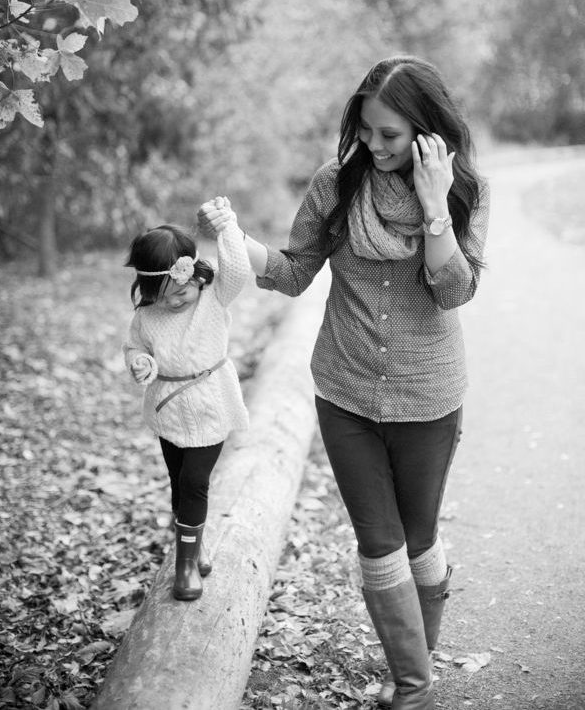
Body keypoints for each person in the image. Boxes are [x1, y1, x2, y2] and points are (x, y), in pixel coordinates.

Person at [198, 56, 489, 708]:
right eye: (365, 130)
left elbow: (453, 290)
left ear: (426, 132)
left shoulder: (466, 191)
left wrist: (435, 206)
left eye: (389, 134)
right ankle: (414, 684)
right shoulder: (336, 185)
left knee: (420, 537)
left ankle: (418, 658)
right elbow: (294, 270)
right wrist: (234, 240)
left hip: (428, 396)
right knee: (379, 541)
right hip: (345, 393)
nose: (373, 145)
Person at [123, 200, 250, 601]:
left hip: (211, 403)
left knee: (196, 481)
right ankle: (195, 545)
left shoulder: (214, 297)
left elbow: (238, 269)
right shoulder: (147, 317)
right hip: (169, 409)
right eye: (164, 296)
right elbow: (134, 346)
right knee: (179, 483)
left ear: (195, 274)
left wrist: (226, 227)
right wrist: (141, 362)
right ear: (148, 291)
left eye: (181, 290)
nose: (175, 301)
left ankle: (184, 566)